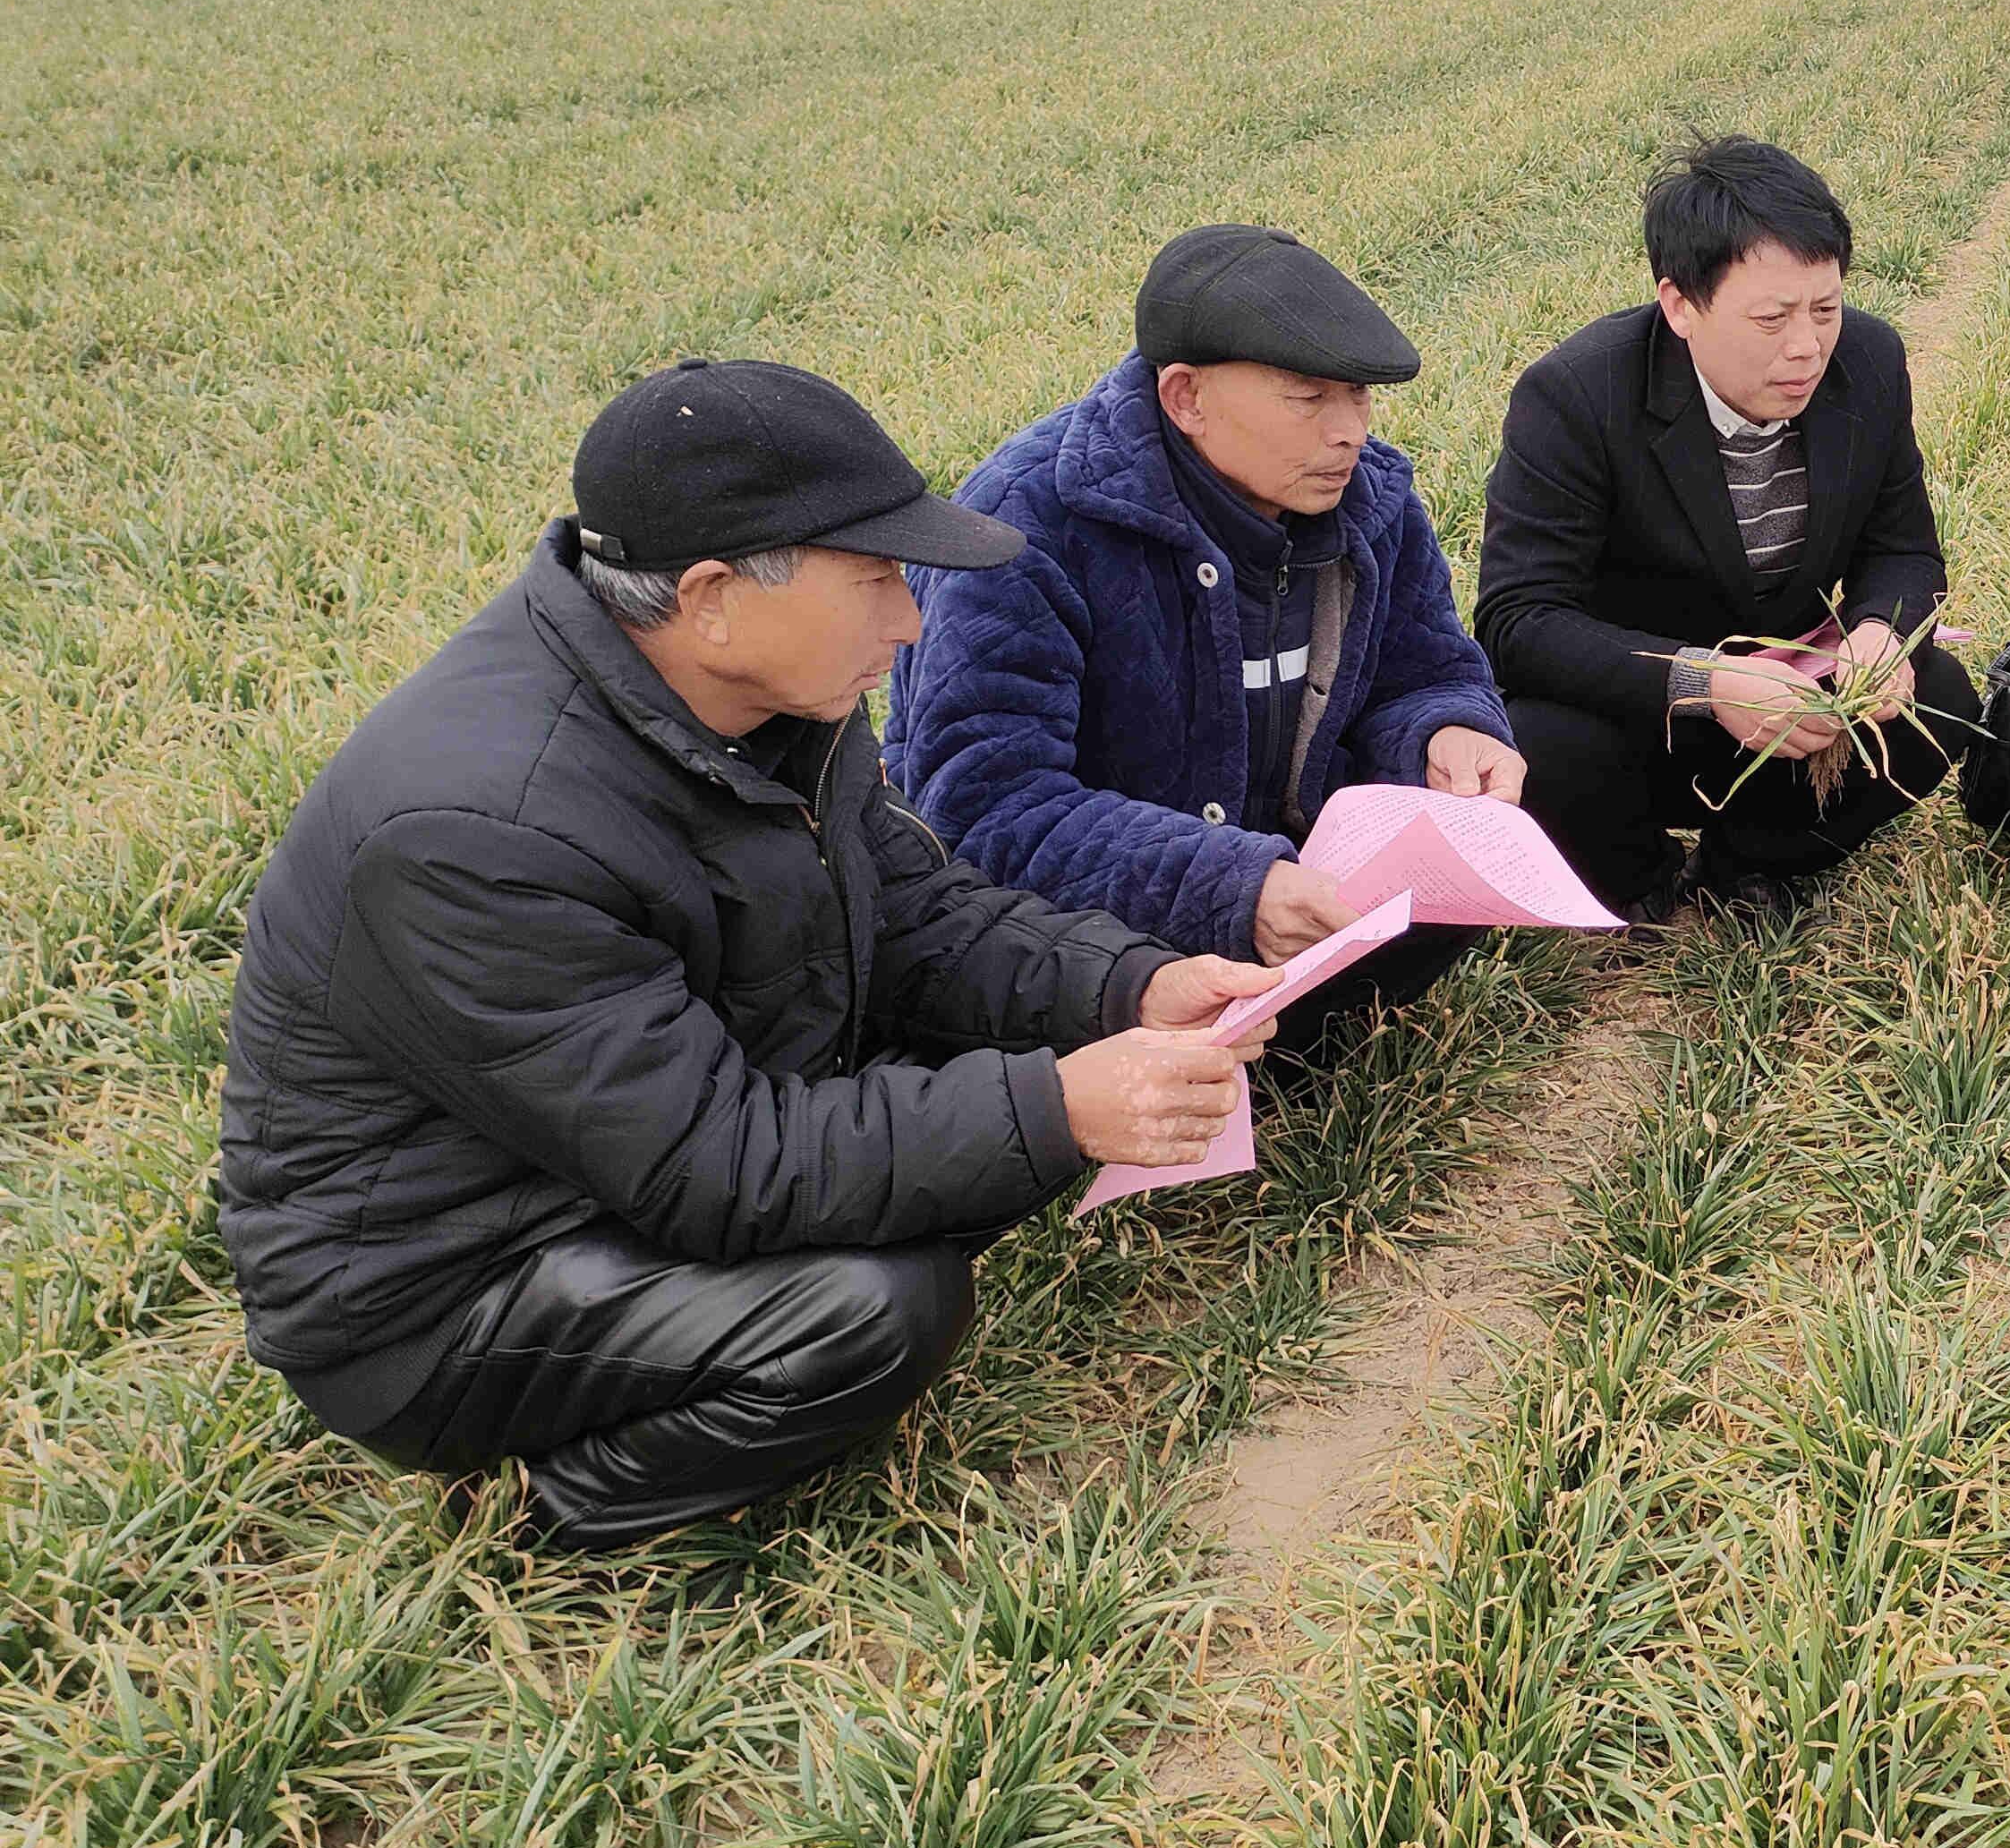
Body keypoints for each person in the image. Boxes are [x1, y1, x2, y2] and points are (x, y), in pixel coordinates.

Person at [216, 362, 1287, 1551]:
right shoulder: (480, 837)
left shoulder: (779, 689)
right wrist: (1055, 1107)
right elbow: (716, 1166)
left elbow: (916, 916)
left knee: (1027, 1069)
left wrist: (1128, 985)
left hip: (638, 1132)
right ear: (714, 595)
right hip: (451, 1283)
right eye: (876, 577)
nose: (910, 621)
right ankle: (550, 1506)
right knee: (875, 1312)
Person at [889, 225, 1517, 1038]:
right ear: (1186, 397)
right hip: (1106, 929)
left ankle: (1274, 1031)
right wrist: (1232, 888)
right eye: (1309, 397)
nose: (1349, 432)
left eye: (1360, 395)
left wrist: (1448, 730)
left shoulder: (1369, 497)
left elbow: (1425, 670)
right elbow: (985, 804)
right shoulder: (1025, 525)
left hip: (1298, 894)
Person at [1471, 134, 1966, 922]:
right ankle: (1644, 876)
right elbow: (1517, 620)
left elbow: (1902, 546)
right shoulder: (1575, 396)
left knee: (1940, 698)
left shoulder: (1869, 361)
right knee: (1536, 747)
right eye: (1771, 318)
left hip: (1799, 705)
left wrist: (1880, 633)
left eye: (1825, 309)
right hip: (1643, 718)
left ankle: (1747, 864)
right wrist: (1705, 681)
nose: (1806, 346)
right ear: (1680, 306)